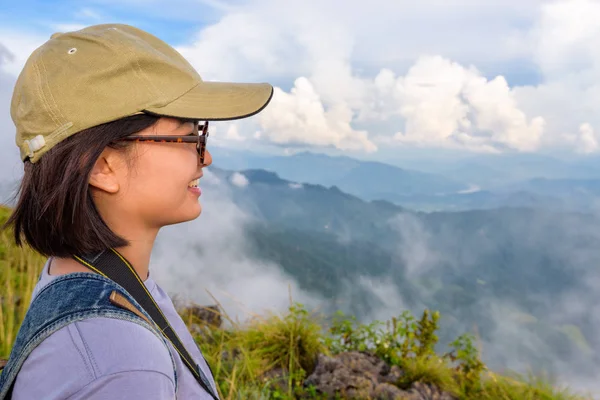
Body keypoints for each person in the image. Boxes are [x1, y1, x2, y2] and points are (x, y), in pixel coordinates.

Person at [0, 23, 273, 399]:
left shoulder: (84, 278)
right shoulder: (122, 362)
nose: (206, 156)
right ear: (102, 166)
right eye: (190, 136)